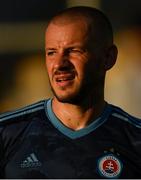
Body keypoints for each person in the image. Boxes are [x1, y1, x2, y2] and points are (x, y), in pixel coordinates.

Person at [0, 6, 141, 179]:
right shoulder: (8, 134)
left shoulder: (134, 140)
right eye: (51, 53)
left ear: (109, 58)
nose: (59, 64)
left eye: (74, 51)